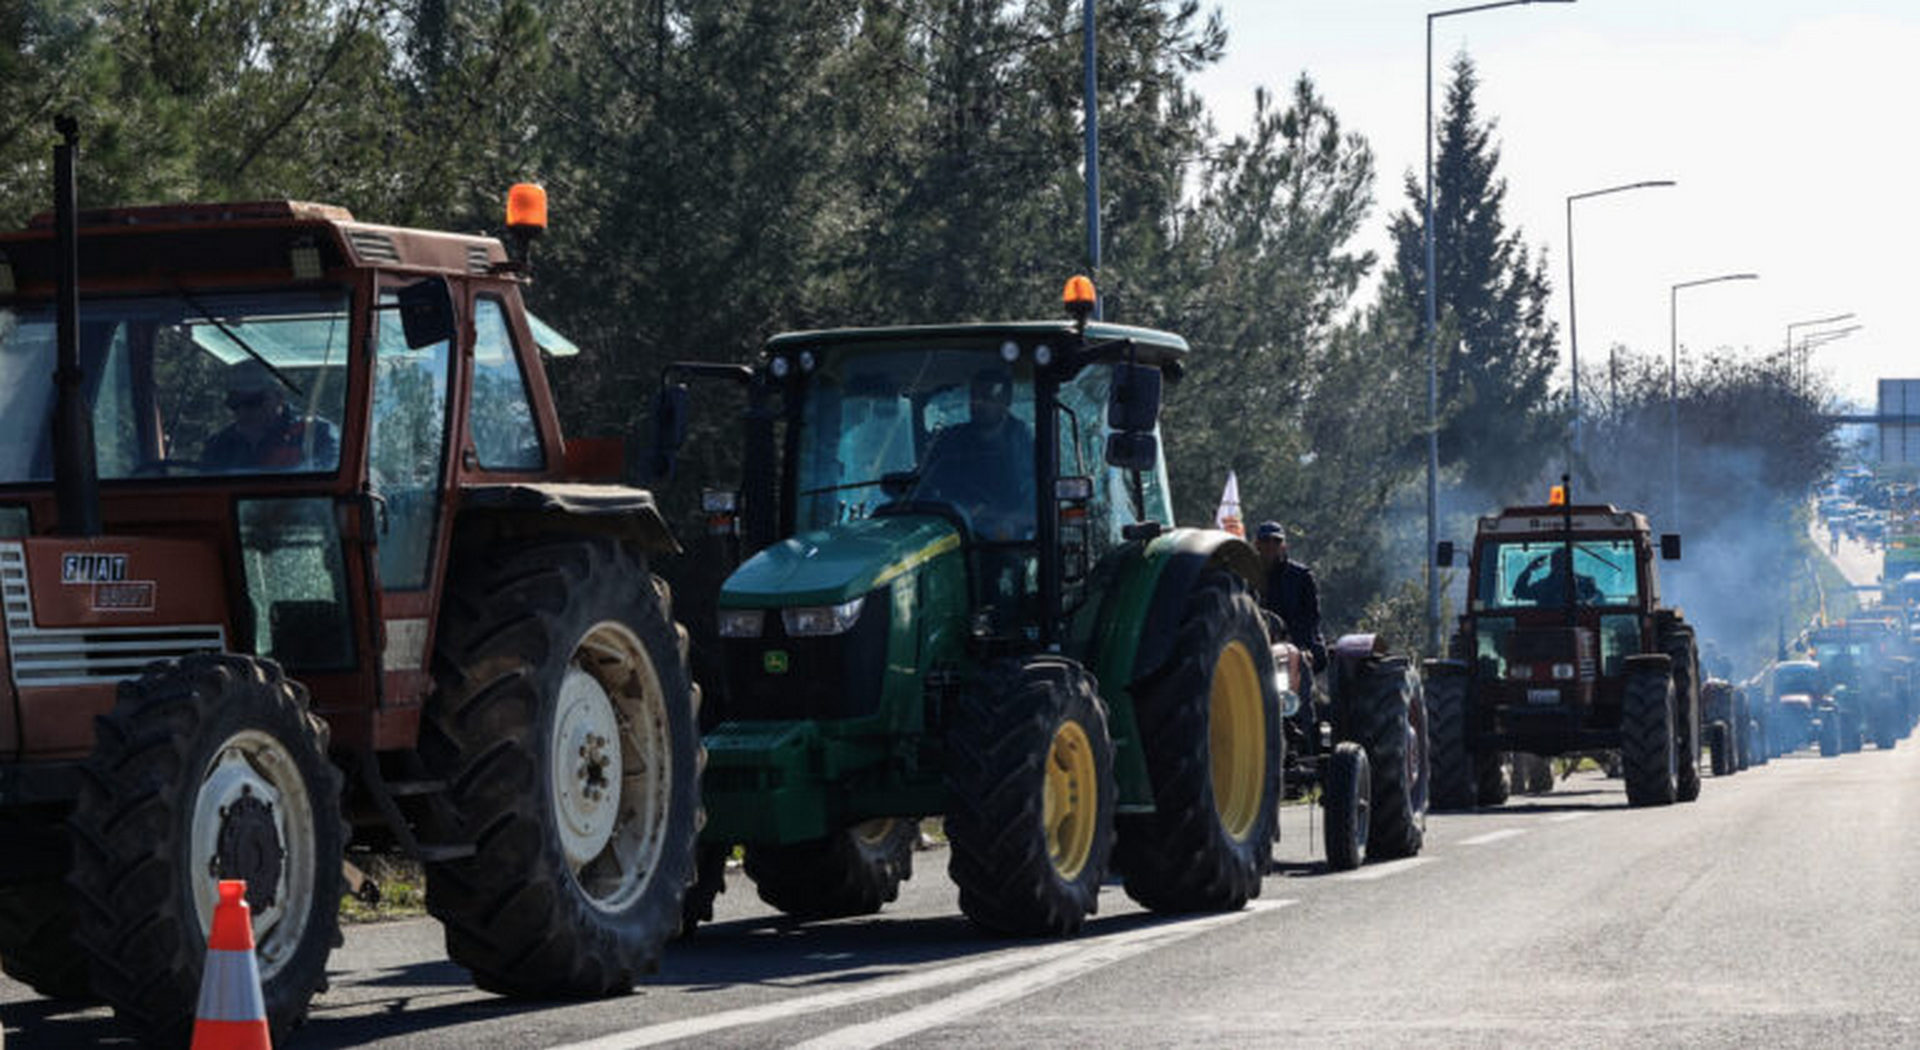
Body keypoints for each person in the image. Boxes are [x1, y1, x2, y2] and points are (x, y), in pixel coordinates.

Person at [915, 367, 1034, 540]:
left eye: (987, 397)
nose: (978, 403)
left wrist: (1007, 519)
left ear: (1006, 401)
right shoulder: (948, 443)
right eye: (974, 397)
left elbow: (1036, 506)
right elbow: (925, 489)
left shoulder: (1025, 446)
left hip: (1010, 541)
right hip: (953, 532)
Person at [201, 359, 338, 473]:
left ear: (279, 397)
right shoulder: (219, 444)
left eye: (253, 401)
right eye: (234, 403)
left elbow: (329, 482)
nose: (243, 410)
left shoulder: (315, 433)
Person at [1255, 521, 1327, 679]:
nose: (1271, 546)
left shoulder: (1301, 577)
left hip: (1295, 642)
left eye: (1276, 541)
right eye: (1266, 540)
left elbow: (1311, 617)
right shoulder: (1247, 577)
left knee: (1301, 662)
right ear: (1257, 544)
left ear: (1284, 545)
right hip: (1257, 643)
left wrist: (1298, 643)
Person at [1512, 547, 1600, 607]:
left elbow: (1598, 602)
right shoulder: (1543, 586)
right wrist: (1529, 570)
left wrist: (1580, 597)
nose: (1561, 565)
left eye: (1564, 561)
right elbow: (1519, 592)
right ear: (1552, 565)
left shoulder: (1587, 583)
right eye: (1557, 561)